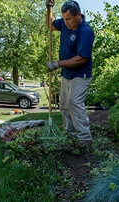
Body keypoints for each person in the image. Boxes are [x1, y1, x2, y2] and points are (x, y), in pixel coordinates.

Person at [46, 0, 95, 144]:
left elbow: (81, 59)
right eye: (64, 19)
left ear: (78, 15)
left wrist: (58, 63)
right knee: (64, 105)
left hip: (80, 75)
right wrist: (49, 9)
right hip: (66, 74)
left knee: (74, 102)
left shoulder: (86, 31)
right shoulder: (65, 24)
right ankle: (71, 133)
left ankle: (84, 138)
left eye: (69, 19)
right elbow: (51, 25)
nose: (66, 22)